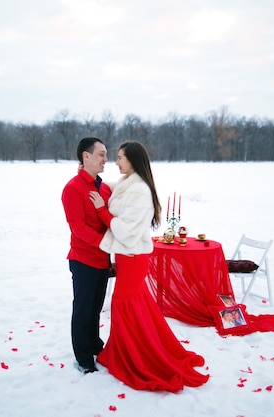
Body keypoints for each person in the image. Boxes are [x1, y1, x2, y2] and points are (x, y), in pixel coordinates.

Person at [88, 141, 209, 392]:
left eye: (120, 158)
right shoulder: (127, 184)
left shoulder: (140, 191)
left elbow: (125, 231)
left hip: (133, 258)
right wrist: (88, 175)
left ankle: (135, 356)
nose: (116, 162)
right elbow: (113, 189)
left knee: (124, 306)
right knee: (129, 307)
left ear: (133, 160)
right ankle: (128, 351)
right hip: (127, 258)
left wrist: (101, 210)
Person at [61, 137, 113, 374]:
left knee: (95, 308)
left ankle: (95, 345)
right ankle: (83, 359)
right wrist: (105, 243)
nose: (105, 159)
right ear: (86, 156)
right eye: (101, 154)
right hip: (83, 260)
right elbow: (78, 228)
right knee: (83, 310)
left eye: (106, 154)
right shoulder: (72, 188)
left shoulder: (103, 187)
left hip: (102, 260)